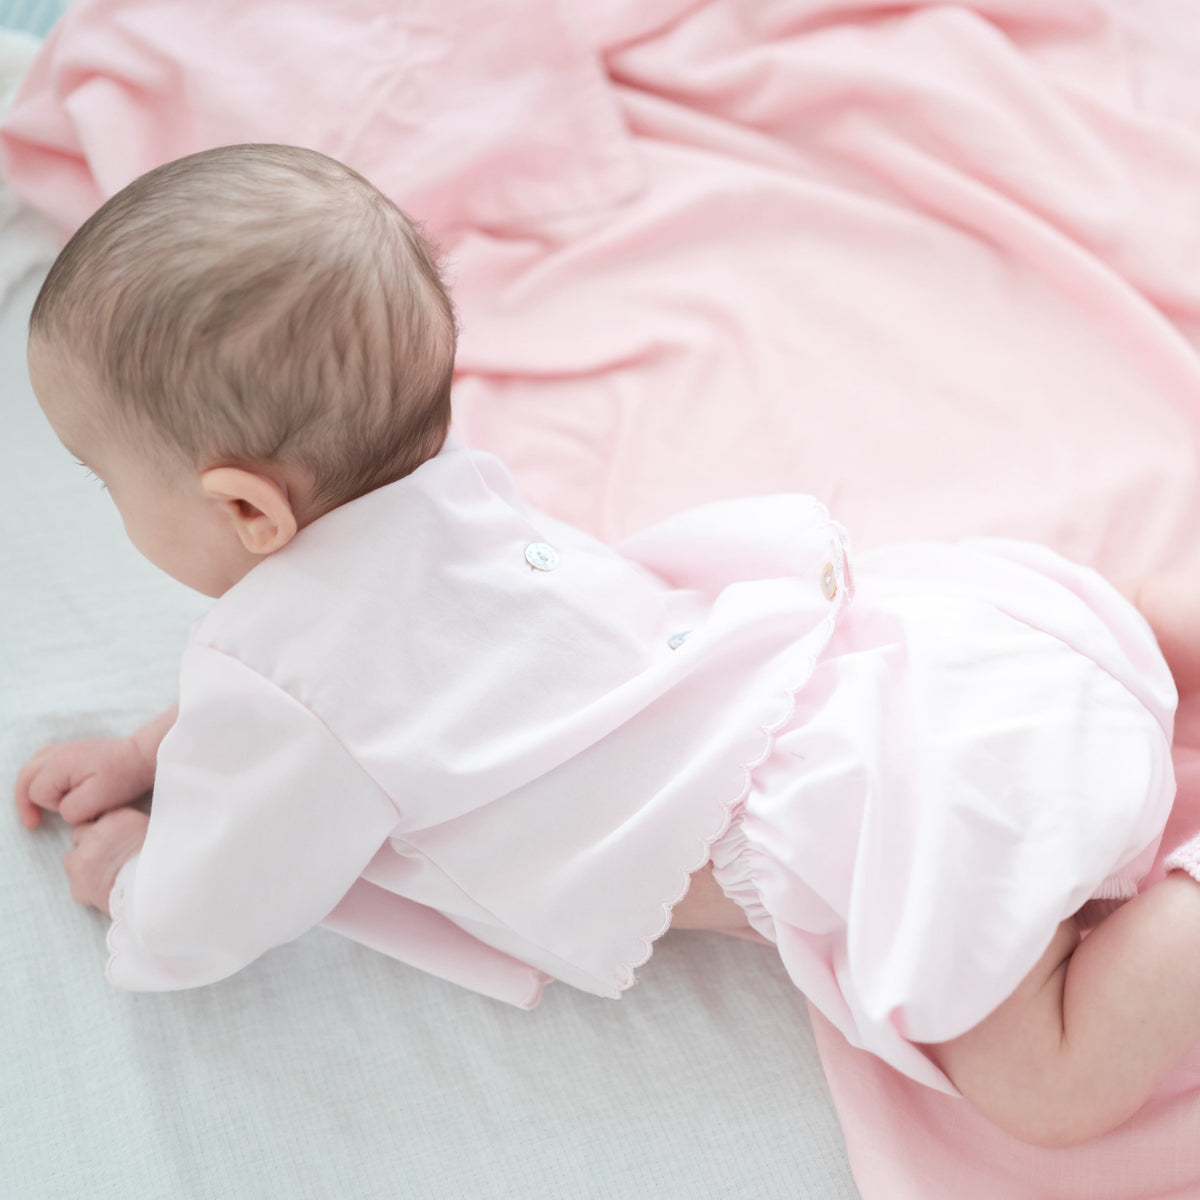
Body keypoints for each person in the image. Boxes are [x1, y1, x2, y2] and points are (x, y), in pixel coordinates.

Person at [14, 143, 1200, 1149]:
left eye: (100, 475)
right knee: (1113, 607)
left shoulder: (278, 683)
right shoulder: (447, 495)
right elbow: (307, 712)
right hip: (931, 648)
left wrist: (129, 877)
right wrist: (148, 747)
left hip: (889, 813)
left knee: (1050, 1086)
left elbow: (218, 896)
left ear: (245, 511)